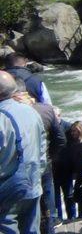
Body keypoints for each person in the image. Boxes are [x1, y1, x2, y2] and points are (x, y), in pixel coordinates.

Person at [12, 79, 65, 233]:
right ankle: (49, 229)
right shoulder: (46, 110)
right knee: (46, 200)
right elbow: (60, 139)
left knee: (19, 208)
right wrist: (50, 157)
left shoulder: (6, 114)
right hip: (43, 163)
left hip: (16, 168)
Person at [0, 70, 47, 234]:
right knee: (32, 229)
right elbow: (42, 146)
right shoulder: (31, 111)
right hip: (32, 180)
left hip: (8, 186)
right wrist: (38, 172)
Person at [59, 121, 82, 218]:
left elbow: (79, 161)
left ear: (81, 131)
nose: (73, 133)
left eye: (75, 131)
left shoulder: (80, 145)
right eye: (72, 131)